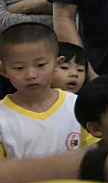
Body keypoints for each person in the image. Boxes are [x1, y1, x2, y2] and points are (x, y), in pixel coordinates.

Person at [0, 23, 80, 158]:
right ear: (4, 71)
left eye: (40, 65)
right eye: (19, 68)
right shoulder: (2, 118)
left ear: (57, 64)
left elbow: (91, 158)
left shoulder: (77, 105)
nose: (31, 75)